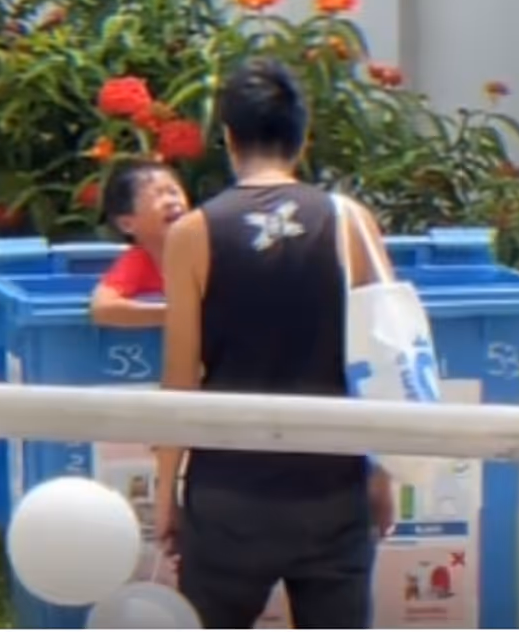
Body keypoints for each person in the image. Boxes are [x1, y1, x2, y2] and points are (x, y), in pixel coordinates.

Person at [155, 58, 395, 628]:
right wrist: (383, 470)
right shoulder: (350, 221)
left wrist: (166, 490)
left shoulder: (193, 233)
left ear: (228, 137)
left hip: (228, 494)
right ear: (302, 135)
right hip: (333, 485)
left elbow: (180, 380)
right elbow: (384, 359)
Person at [90, 162, 190, 327]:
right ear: (127, 224)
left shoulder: (204, 251)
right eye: (158, 196)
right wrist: (176, 314)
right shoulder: (138, 261)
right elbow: (102, 309)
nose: (172, 201)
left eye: (174, 192)